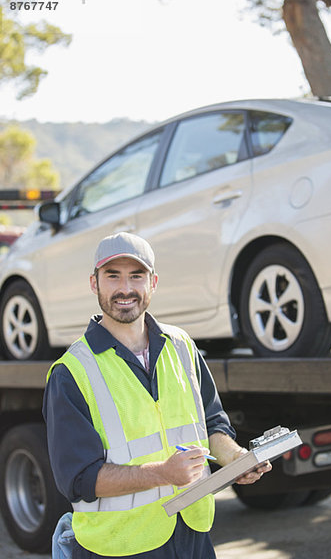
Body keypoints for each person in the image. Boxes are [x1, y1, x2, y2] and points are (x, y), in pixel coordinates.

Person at [43, 232, 272, 559]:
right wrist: (163, 474)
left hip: (192, 534)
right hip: (119, 546)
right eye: (113, 276)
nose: (125, 289)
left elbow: (211, 424)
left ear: (153, 283)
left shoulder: (182, 346)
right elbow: (78, 479)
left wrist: (236, 459)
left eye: (136, 276)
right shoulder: (71, 373)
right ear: (94, 284)